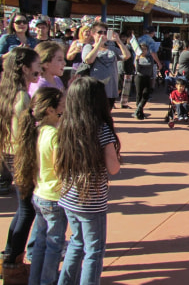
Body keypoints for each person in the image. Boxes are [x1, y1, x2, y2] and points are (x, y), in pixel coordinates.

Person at [56, 77, 121, 284]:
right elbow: (114, 168)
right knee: (94, 250)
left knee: (76, 243)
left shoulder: (65, 125)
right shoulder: (101, 129)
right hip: (91, 201)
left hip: (68, 197)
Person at [14, 87, 66, 285]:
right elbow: (59, 167)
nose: (64, 108)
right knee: (54, 245)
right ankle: (47, 281)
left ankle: (35, 280)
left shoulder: (38, 131)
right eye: (61, 105)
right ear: (50, 110)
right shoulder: (53, 134)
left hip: (40, 193)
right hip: (53, 196)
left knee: (42, 243)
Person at [0, 47, 41, 283]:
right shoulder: (21, 97)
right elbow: (22, 133)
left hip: (9, 154)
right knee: (27, 210)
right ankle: (13, 263)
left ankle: (10, 255)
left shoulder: (8, 91)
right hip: (20, 155)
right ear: (25, 68)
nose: (37, 74)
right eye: (35, 70)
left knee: (23, 209)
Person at [82, 21, 131, 109]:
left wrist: (118, 40)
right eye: (100, 32)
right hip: (96, 88)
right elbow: (88, 60)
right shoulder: (89, 47)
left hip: (111, 87)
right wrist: (98, 44)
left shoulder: (112, 48)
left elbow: (126, 56)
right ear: (93, 34)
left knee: (107, 112)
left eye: (105, 32)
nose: (103, 35)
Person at [134, 43, 154, 120]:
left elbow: (150, 65)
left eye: (145, 49)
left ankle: (138, 109)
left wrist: (141, 65)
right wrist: (137, 60)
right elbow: (138, 69)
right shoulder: (137, 58)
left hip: (147, 77)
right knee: (139, 94)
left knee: (146, 94)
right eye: (141, 49)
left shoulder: (149, 57)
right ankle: (140, 113)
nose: (143, 51)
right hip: (139, 77)